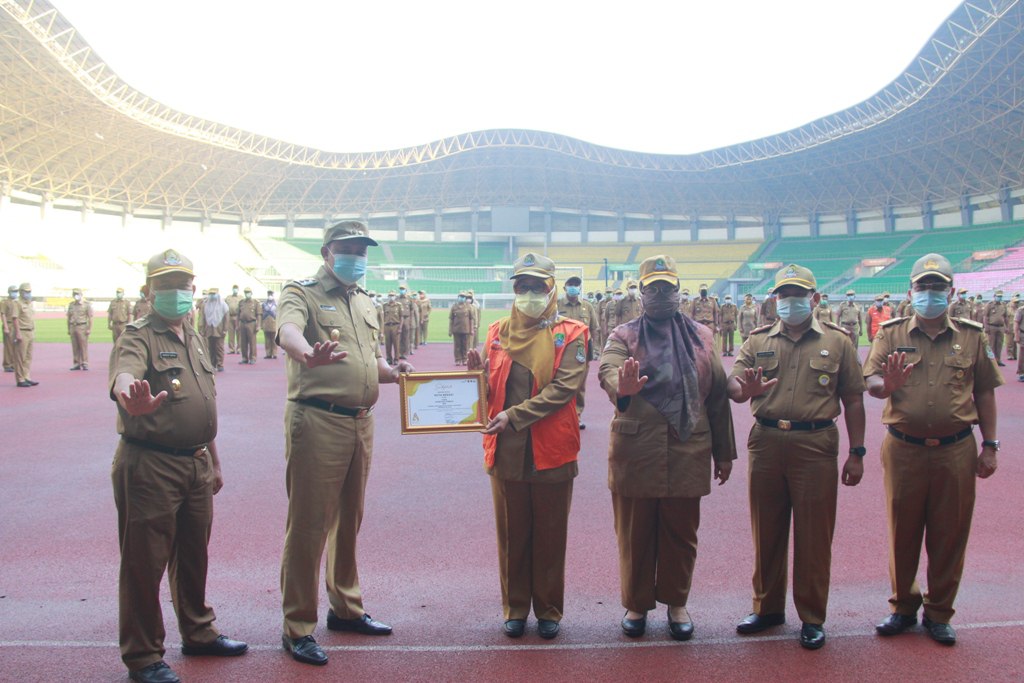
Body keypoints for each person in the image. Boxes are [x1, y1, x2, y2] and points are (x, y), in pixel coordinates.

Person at [109, 250, 247, 683]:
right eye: (165, 285)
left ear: (193, 289)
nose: (176, 293)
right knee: (144, 563)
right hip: (151, 465)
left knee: (193, 555)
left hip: (196, 463)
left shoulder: (193, 336)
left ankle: (198, 631)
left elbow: (202, 405)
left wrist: (214, 461)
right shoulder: (138, 336)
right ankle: (143, 656)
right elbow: (125, 374)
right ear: (148, 292)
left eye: (182, 285)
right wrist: (128, 395)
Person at [277, 221, 411, 667]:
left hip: (360, 422)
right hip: (318, 419)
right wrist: (305, 352)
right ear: (327, 252)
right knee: (309, 524)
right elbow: (289, 331)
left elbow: (373, 359)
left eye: (362, 250)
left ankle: (346, 607)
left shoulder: (364, 301)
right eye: (348, 248)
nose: (356, 256)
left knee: (349, 519)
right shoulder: (302, 292)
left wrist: (393, 373)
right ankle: (298, 626)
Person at [864, 253, 1002, 646]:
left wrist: (990, 445)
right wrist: (887, 386)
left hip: (955, 449)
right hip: (903, 447)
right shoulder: (891, 334)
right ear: (910, 292)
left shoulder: (971, 336)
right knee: (902, 530)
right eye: (922, 287)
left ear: (951, 292)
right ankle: (903, 606)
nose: (929, 293)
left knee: (950, 532)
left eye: (937, 287)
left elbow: (985, 392)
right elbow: (871, 380)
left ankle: (939, 611)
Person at [728, 264, 866, 650]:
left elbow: (854, 399)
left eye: (798, 294)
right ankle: (767, 608)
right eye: (784, 295)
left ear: (814, 298)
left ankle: (812, 615)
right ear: (775, 300)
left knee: (814, 534)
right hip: (767, 440)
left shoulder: (838, 342)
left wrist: (857, 451)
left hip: (815, 443)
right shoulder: (757, 340)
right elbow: (734, 386)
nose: (791, 301)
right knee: (766, 530)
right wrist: (743, 390)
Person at [598, 255, 736, 641]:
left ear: (678, 290)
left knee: (681, 534)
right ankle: (636, 605)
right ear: (641, 293)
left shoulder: (702, 336)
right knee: (635, 534)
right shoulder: (624, 335)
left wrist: (724, 453)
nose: (660, 294)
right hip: (637, 450)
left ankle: (677, 603)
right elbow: (608, 368)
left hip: (687, 448)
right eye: (652, 288)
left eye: (667, 287)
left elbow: (718, 396)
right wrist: (621, 386)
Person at [466, 252, 588, 641]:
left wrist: (514, 416)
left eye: (538, 287)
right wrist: (474, 377)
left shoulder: (572, 333)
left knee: (550, 534)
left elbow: (564, 389)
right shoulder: (497, 332)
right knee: (511, 534)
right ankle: (515, 608)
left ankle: (548, 609)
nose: (530, 294)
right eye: (523, 287)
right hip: (506, 449)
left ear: (552, 290)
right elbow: (489, 390)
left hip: (552, 448)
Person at [557, 275, 598, 428]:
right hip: (562, 351)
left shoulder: (587, 306)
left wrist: (593, 349)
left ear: (580, 288)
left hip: (582, 351)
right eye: (571, 284)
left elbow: (594, 329)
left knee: (580, 385)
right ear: (565, 288)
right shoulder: (556, 305)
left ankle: (576, 415)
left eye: (576, 284)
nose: (573, 287)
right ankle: (560, 415)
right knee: (561, 383)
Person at [10, 283, 37, 387]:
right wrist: (17, 333)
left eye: (29, 291)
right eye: (26, 291)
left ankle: (26, 376)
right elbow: (15, 318)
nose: (28, 293)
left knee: (28, 357)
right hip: (21, 331)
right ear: (21, 292)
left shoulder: (29, 303)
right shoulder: (17, 303)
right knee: (20, 357)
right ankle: (20, 379)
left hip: (30, 332)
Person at [200, 288, 229, 372]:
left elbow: (226, 319)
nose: (212, 296)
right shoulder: (205, 304)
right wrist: (201, 329)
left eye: (214, 294)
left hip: (219, 330)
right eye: (211, 294)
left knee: (219, 348)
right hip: (209, 329)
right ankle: (212, 364)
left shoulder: (223, 305)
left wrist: (225, 329)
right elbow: (202, 318)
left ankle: (220, 364)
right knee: (211, 348)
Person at [67, 287, 94, 370]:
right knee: (75, 346)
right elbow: (69, 317)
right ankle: (76, 363)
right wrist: (68, 328)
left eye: (77, 294)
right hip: (73, 326)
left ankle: (84, 362)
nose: (76, 296)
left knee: (83, 346)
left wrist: (89, 329)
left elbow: (90, 318)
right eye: (74, 294)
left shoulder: (86, 305)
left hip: (82, 326)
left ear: (81, 295)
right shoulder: (71, 305)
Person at [982, 290, 1010, 366]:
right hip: (992, 327)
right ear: (994, 296)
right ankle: (991, 361)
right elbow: (985, 316)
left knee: (999, 345)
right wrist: (986, 327)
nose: (999, 298)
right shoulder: (989, 305)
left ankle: (998, 360)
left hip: (1001, 327)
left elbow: (1006, 317)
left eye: (1001, 296)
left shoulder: (1003, 305)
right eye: (998, 296)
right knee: (991, 345)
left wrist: (1007, 327)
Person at [449, 291, 474, 365]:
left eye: (463, 297)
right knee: (457, 346)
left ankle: (465, 359)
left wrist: (471, 329)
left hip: (465, 330)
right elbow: (451, 319)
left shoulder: (468, 307)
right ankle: (457, 359)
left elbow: (471, 319)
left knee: (465, 345)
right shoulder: (454, 307)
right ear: (458, 297)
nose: (461, 298)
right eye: (460, 297)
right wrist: (450, 330)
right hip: (456, 329)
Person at [237, 287, 260, 364]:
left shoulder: (255, 303)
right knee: (243, 342)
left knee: (252, 342)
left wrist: (258, 325)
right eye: (246, 292)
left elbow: (259, 315)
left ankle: (252, 358)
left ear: (251, 293)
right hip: (242, 323)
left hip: (251, 323)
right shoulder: (241, 302)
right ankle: (244, 358)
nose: (247, 294)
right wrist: (237, 325)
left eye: (248, 292)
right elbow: (238, 314)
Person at [381, 291, 403, 364]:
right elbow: (383, 317)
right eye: (390, 296)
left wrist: (400, 328)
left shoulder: (398, 305)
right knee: (388, 344)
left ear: (395, 297)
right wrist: (382, 328)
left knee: (396, 344)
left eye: (393, 296)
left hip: (395, 326)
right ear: (388, 297)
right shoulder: (385, 305)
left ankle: (396, 359)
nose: (391, 297)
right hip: (387, 326)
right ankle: (389, 358)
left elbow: (401, 317)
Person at [2, 285, 17, 372]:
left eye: (16, 291)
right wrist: (6, 327)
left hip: (16, 325)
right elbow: (3, 314)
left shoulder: (16, 302)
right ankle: (7, 364)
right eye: (13, 291)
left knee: (15, 346)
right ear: (9, 292)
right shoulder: (5, 302)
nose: (15, 293)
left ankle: (13, 364)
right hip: (9, 324)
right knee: (8, 346)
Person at [224, 285, 242, 354]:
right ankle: (231, 349)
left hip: (238, 317)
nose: (235, 290)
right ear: (232, 289)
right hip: (230, 316)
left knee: (239, 334)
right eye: (234, 288)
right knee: (231, 334)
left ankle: (239, 348)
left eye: (236, 288)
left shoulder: (241, 298)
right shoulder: (228, 298)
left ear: (238, 289)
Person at [262, 290, 278, 359]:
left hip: (274, 324)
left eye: (271, 294)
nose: (270, 295)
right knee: (267, 340)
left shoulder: (276, 304)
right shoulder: (264, 304)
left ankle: (274, 353)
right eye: (269, 294)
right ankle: (268, 353)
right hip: (266, 323)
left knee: (274, 340)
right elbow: (261, 314)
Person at [1006, 293, 1019, 362]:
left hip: (1016, 328)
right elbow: (1005, 319)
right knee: (1009, 342)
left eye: (1017, 302)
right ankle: (1009, 354)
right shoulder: (1008, 309)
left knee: (1016, 342)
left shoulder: (1018, 309)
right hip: (1010, 327)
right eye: (1015, 302)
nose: (1016, 304)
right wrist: (1006, 327)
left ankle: (1015, 355)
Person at [1015, 302, 1024, 381]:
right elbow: (1016, 323)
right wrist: (1016, 335)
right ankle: (1021, 373)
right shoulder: (1021, 310)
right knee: (1022, 355)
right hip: (1023, 334)